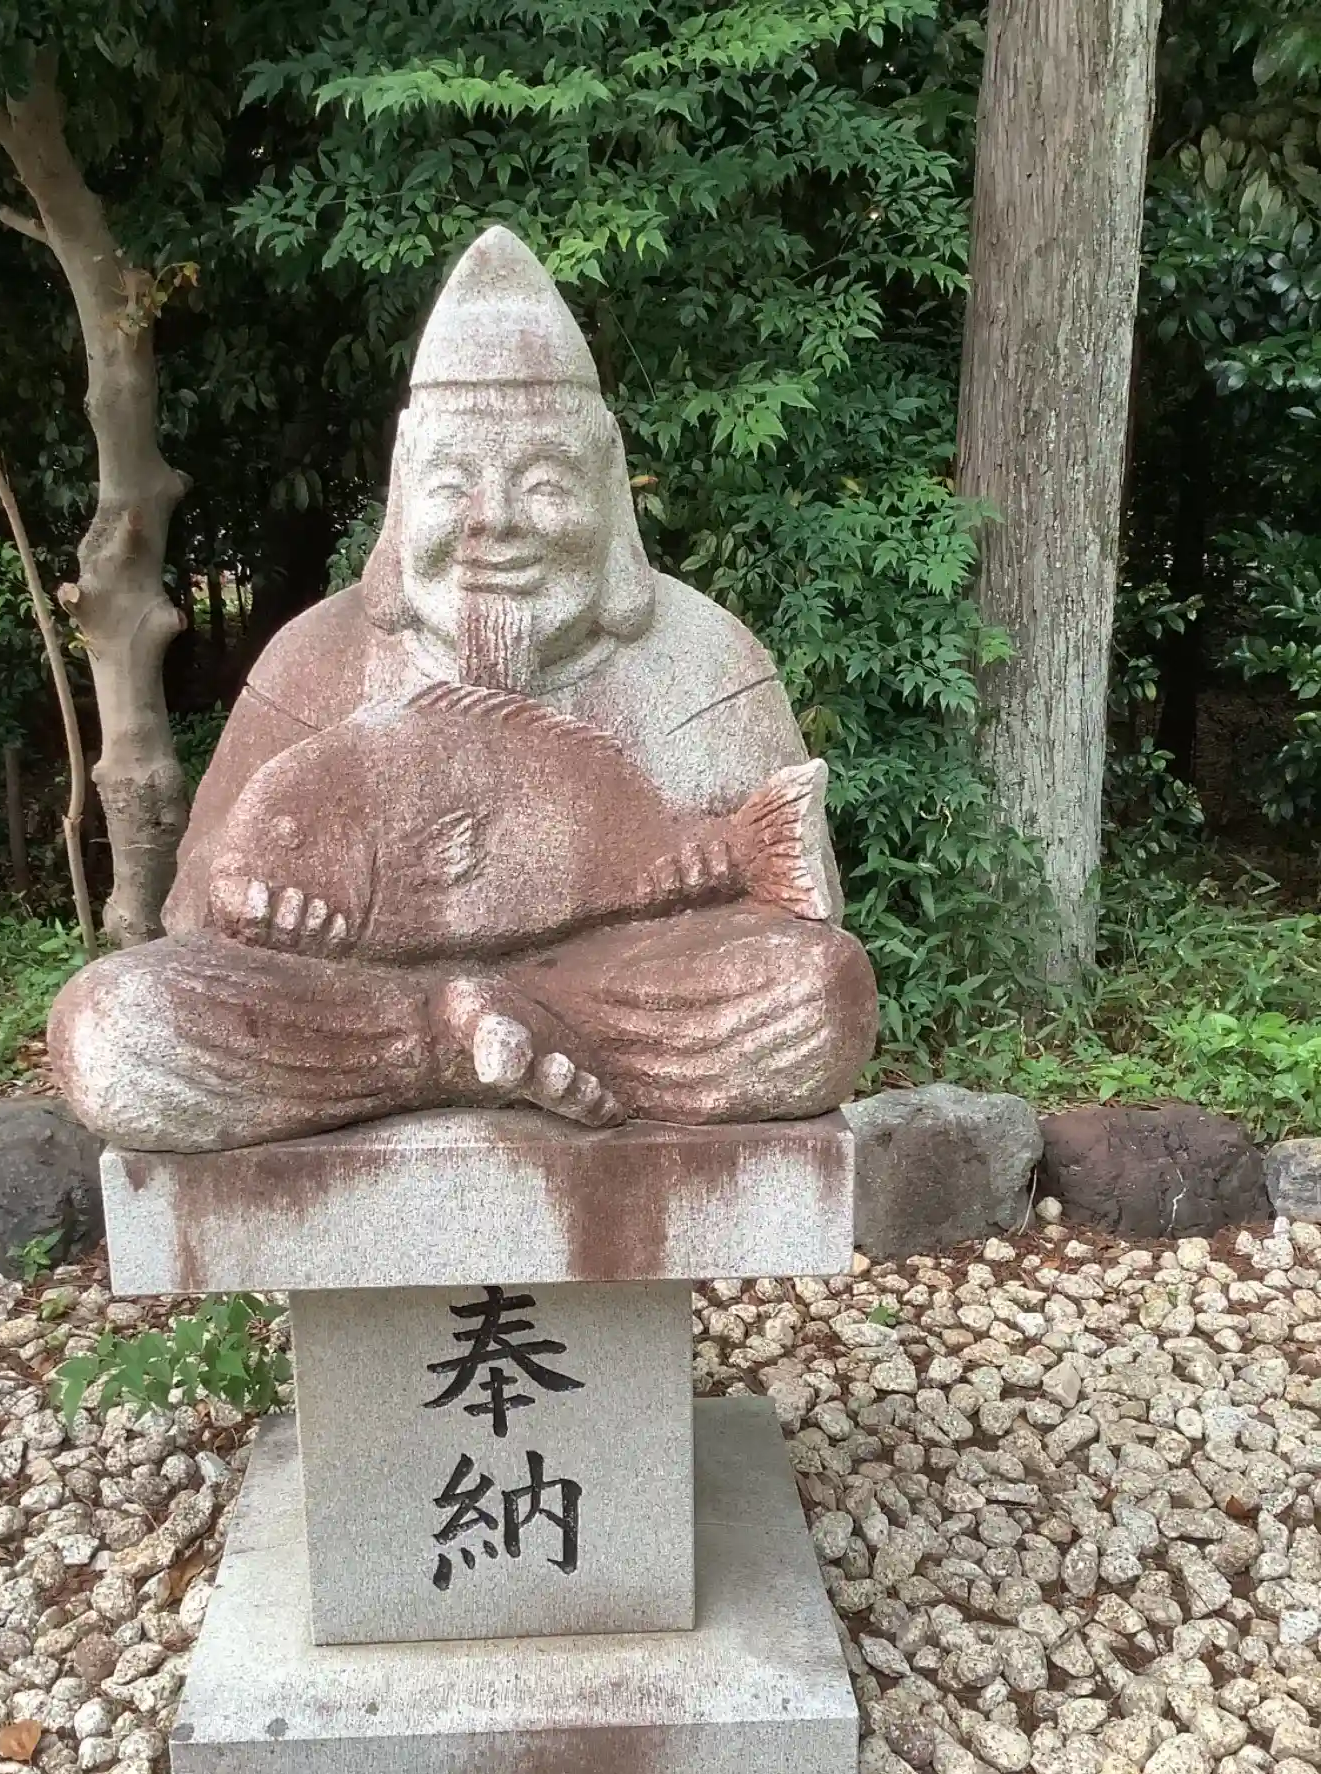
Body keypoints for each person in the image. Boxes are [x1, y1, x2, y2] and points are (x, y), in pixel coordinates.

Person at [49, 228, 877, 1150]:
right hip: (357, 1003)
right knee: (113, 1028)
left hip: (617, 985)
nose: (496, 524)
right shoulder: (317, 658)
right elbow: (196, 908)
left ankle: (506, 1028)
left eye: (546, 485)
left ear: (609, 487)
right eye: (453, 484)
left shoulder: (706, 657)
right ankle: (442, 1040)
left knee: (819, 997)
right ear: (404, 487)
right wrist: (258, 904)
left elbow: (791, 914)